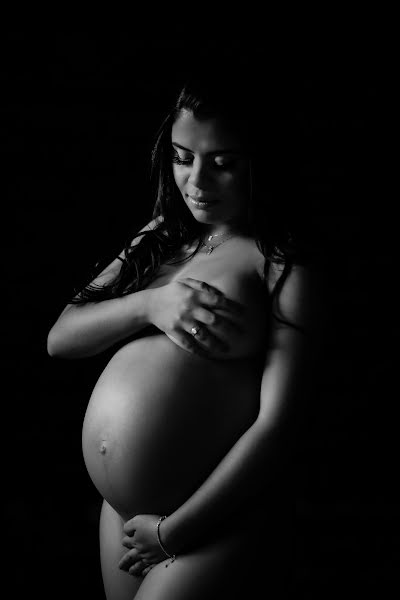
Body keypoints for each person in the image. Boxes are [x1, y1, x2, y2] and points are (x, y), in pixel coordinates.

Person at [47, 62, 321, 600]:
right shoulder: (162, 237)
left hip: (206, 522)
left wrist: (175, 532)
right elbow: (60, 338)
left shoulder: (281, 268)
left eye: (222, 164)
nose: (196, 182)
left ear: (262, 162)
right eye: (182, 157)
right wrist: (151, 305)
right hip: (123, 515)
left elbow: (280, 427)